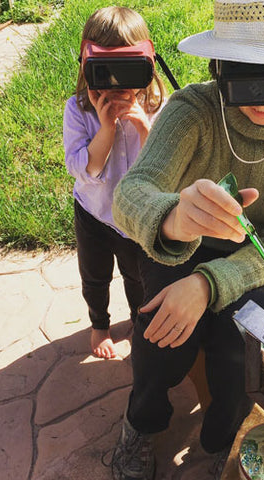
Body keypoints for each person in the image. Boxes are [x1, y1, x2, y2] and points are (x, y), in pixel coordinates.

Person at [110, 0, 264, 478]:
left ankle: (225, 437)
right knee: (159, 336)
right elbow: (131, 193)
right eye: (245, 77)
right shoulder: (194, 110)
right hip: (185, 240)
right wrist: (175, 219)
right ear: (218, 68)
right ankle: (141, 423)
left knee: (244, 347)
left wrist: (205, 285)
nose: (262, 99)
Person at [63, 6, 166, 359]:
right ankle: (100, 325)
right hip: (94, 212)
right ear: (86, 67)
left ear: (149, 65)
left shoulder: (158, 108)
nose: (120, 86)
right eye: (106, 72)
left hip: (136, 220)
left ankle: (140, 322)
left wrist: (143, 127)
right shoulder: (78, 110)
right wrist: (106, 128)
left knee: (139, 278)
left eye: (130, 71)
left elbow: (164, 166)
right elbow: (82, 168)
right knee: (95, 277)